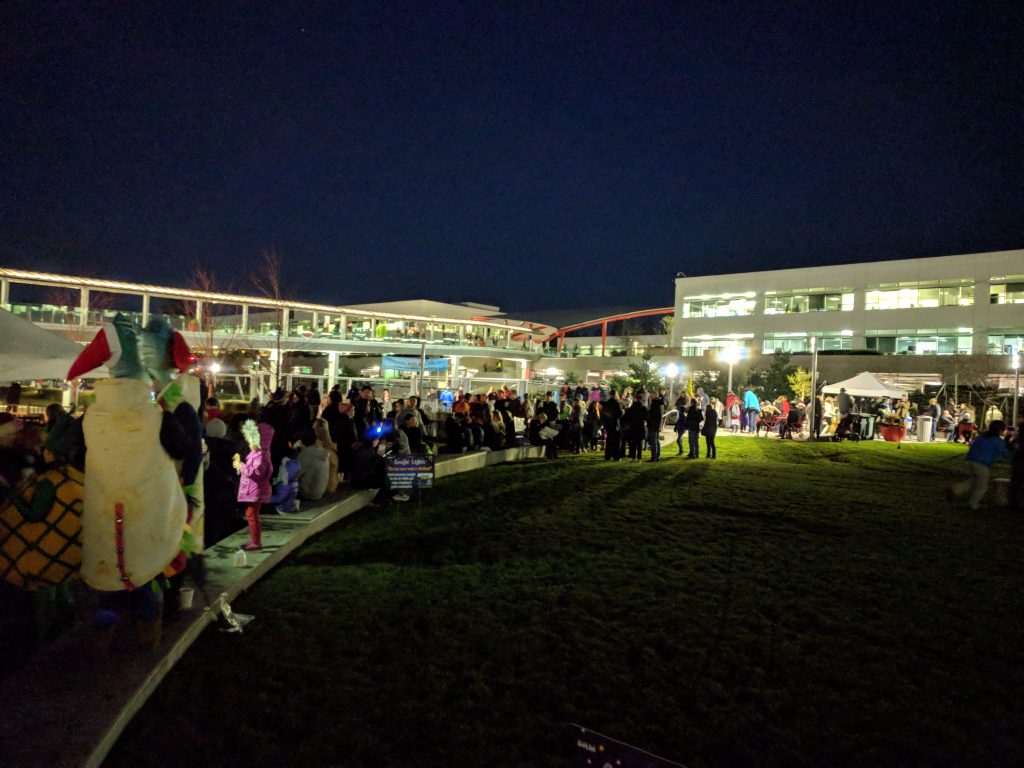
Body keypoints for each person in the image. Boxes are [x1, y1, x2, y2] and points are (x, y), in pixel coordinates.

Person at [947, 420, 1012, 510]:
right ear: (1000, 430)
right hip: (982, 464)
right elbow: (1006, 454)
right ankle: (973, 505)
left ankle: (955, 490)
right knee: (982, 486)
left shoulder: (982, 436)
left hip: (971, 460)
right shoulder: (998, 441)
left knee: (973, 481)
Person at [234, 420, 273, 551]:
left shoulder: (260, 456)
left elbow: (256, 473)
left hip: (255, 491)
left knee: (252, 515)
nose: (248, 444)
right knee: (251, 515)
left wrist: (242, 466)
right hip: (253, 490)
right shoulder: (257, 454)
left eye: (250, 441)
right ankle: (254, 540)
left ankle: (256, 542)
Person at [296, 428, 329, 502]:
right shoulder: (321, 451)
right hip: (320, 492)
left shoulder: (305, 454)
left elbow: (295, 475)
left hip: (308, 494)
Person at [623, 396, 648, 462]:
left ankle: (633, 457)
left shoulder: (631, 409)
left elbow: (626, 417)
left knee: (633, 444)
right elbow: (646, 417)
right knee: (639, 444)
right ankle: (639, 458)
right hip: (640, 427)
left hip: (633, 428)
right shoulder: (643, 408)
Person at [602, 391, 623, 461]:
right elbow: (619, 413)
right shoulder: (616, 403)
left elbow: (603, 414)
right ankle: (616, 456)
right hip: (615, 424)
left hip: (608, 425)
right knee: (616, 441)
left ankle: (608, 456)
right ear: (615, 395)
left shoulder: (606, 403)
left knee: (609, 440)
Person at [647, 389, 665, 462]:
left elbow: (657, 414)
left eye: (651, 395)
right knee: (656, 440)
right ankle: (656, 456)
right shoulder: (657, 402)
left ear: (654, 394)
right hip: (655, 424)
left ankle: (654, 457)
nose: (650, 396)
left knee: (654, 441)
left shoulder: (656, 402)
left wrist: (660, 424)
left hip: (654, 424)